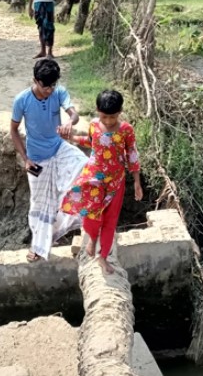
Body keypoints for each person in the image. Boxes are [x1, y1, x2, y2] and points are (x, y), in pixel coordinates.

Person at [10, 58, 88, 262]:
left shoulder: (59, 92)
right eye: (46, 86)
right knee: (39, 204)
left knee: (84, 165)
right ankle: (38, 246)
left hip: (58, 148)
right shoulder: (22, 100)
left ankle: (74, 217)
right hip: (36, 157)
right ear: (35, 80)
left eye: (53, 85)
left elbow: (74, 114)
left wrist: (70, 123)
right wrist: (25, 159)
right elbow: (13, 130)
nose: (50, 90)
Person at [61, 90, 143, 274]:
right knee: (90, 212)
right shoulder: (94, 125)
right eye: (104, 116)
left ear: (120, 112)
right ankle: (91, 237)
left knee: (110, 219)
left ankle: (103, 257)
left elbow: (132, 154)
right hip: (93, 179)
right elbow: (91, 142)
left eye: (112, 117)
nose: (108, 121)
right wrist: (72, 138)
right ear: (98, 111)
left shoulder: (126, 130)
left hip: (115, 182)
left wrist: (136, 182)